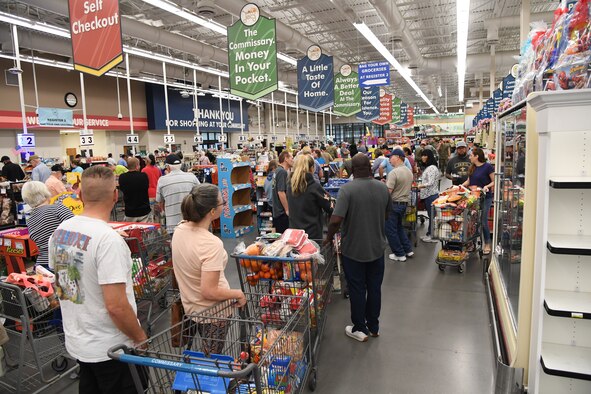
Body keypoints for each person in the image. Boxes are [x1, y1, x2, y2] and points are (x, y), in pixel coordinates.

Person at [48, 166, 146, 393]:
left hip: (78, 342)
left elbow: (62, 283)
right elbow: (116, 306)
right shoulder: (109, 241)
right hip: (112, 348)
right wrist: (140, 337)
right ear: (115, 195)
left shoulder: (60, 231)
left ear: (80, 195)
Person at [172, 183, 246, 355]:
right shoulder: (210, 244)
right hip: (214, 313)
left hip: (191, 307)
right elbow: (209, 291)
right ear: (212, 211)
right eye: (222, 203)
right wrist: (238, 293)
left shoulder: (179, 229)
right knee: (211, 356)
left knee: (207, 352)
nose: (224, 204)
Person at [325, 153, 391, 342]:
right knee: (375, 287)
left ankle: (359, 328)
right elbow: (388, 213)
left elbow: (336, 219)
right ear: (370, 168)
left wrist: (329, 237)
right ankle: (374, 326)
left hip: (354, 250)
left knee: (357, 289)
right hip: (377, 248)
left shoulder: (348, 190)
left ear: (352, 170)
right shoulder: (382, 188)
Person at [22, 181, 74, 268]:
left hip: (42, 265)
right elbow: (78, 228)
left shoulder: (30, 220)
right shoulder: (57, 208)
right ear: (45, 193)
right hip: (64, 261)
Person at [287, 155, 332, 239]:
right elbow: (330, 206)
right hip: (312, 235)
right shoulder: (314, 187)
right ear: (312, 168)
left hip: (295, 234)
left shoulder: (290, 186)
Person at [462, 147, 494, 255]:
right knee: (472, 221)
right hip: (473, 198)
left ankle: (487, 243)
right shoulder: (472, 167)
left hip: (486, 197)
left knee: (483, 220)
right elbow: (469, 180)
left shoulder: (487, 167)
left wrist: (486, 186)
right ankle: (472, 243)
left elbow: (494, 181)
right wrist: (461, 186)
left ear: (476, 156)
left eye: (471, 155)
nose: (469, 157)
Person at [156, 154, 199, 233]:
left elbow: (160, 202)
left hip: (172, 224)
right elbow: (200, 195)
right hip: (192, 222)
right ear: (181, 165)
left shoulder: (162, 180)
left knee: (176, 244)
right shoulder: (192, 177)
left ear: (167, 167)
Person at [384, 149, 414, 261]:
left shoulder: (394, 173)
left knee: (390, 230)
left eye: (391, 157)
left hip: (393, 204)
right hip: (404, 203)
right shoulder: (408, 171)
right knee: (399, 227)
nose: (389, 159)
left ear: (397, 157)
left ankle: (399, 254)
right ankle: (408, 250)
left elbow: (388, 192)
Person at [118, 157, 151, 222]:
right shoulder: (143, 176)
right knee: (146, 231)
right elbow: (146, 187)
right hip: (144, 210)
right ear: (137, 166)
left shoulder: (122, 177)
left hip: (130, 211)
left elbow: (121, 189)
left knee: (131, 231)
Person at [418, 149, 441, 243]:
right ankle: (429, 234)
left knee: (432, 216)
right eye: (422, 155)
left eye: (425, 155)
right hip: (429, 194)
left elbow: (430, 182)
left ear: (429, 156)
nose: (423, 157)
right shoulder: (431, 167)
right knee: (431, 215)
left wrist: (420, 186)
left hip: (431, 195)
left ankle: (432, 236)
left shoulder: (431, 168)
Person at [271, 151, 294, 233]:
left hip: (277, 211)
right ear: (286, 159)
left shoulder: (277, 170)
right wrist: (287, 209)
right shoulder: (282, 172)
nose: (293, 160)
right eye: (291, 158)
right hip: (281, 213)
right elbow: (281, 192)